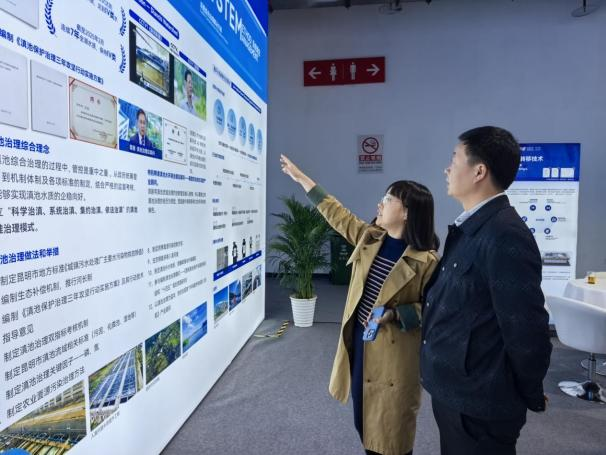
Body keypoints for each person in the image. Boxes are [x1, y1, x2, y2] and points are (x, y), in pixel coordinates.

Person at [280, 154, 439, 455]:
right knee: (363, 422)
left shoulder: (427, 262)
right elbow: (336, 212)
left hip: (393, 358)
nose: (380, 204)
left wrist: (394, 314)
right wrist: (301, 178)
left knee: (390, 434)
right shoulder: (370, 238)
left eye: (388, 199)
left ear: (407, 212)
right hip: (361, 343)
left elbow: (435, 311)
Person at [420, 126, 552, 455]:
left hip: (480, 404)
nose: (447, 169)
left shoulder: (505, 234)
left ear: (479, 171)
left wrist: (528, 392)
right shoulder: (473, 228)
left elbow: (526, 329)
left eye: (454, 160)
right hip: (457, 392)